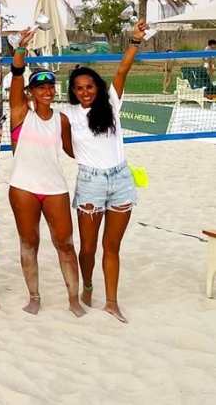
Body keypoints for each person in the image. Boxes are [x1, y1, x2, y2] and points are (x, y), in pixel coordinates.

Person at [60, 19, 149, 324]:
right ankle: (87, 286)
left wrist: (135, 40)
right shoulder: (69, 113)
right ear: (73, 92)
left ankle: (111, 301)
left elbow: (122, 70)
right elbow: (66, 146)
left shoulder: (111, 103)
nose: (85, 92)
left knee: (112, 247)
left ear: (97, 86)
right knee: (87, 248)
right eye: (79, 88)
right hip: (90, 181)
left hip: (121, 178)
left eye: (89, 86)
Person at [8, 28, 84, 317]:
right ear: (31, 92)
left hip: (54, 187)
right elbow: (16, 77)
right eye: (41, 87)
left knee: (65, 243)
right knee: (29, 242)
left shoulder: (61, 119)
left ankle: (73, 299)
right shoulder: (20, 113)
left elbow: (72, 151)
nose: (47, 91)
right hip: (24, 186)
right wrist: (20, 51)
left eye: (51, 86)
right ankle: (34, 296)